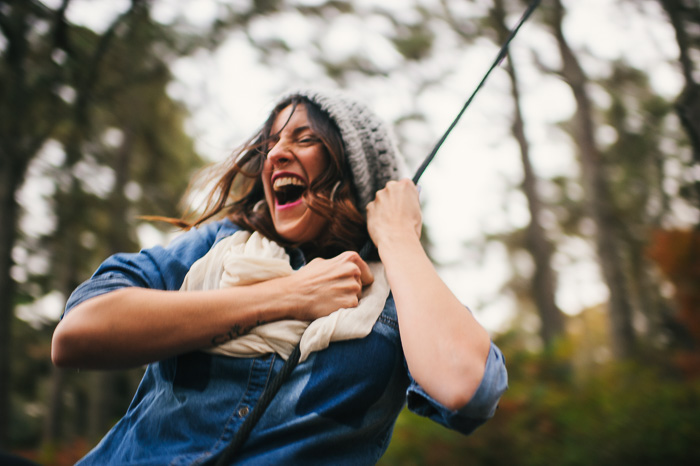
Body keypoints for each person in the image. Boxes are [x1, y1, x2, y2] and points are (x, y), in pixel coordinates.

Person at [51, 88, 508, 465]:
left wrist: (398, 238)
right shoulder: (218, 248)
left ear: (353, 167)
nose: (276, 155)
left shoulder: (398, 300)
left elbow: (466, 388)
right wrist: (290, 294)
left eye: (304, 138)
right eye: (270, 144)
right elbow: (78, 333)